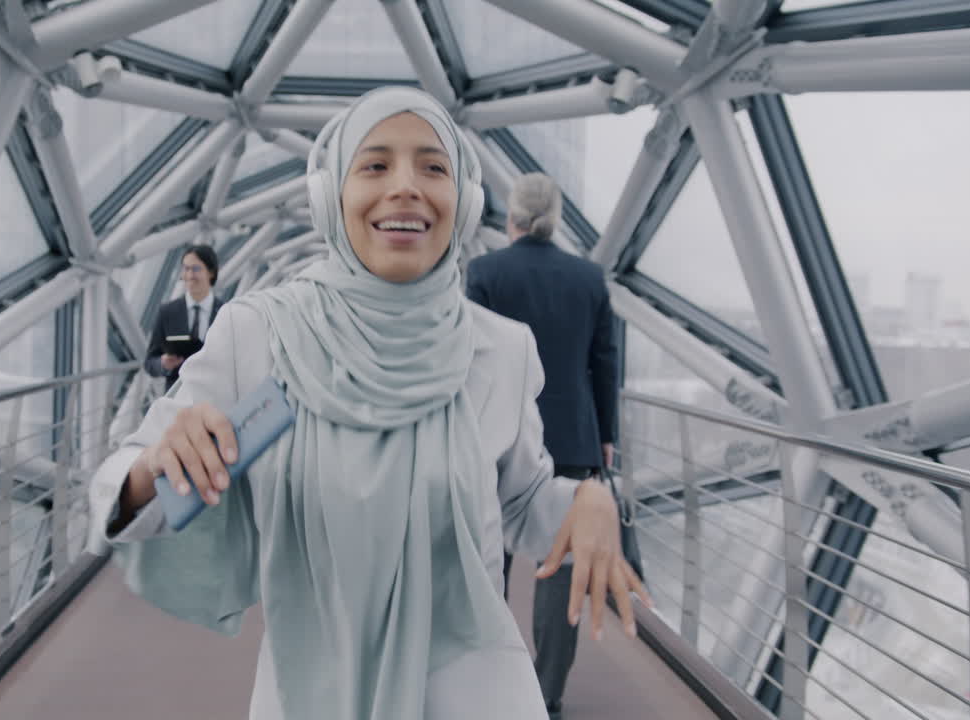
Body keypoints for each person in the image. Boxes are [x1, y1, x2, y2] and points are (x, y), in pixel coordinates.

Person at [88, 87, 647, 720]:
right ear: (332, 196)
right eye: (375, 165)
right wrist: (148, 471)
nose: (406, 186)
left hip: (475, 689)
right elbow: (131, 489)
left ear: (462, 200)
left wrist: (589, 501)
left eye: (433, 167)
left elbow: (519, 505)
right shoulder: (260, 335)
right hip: (310, 691)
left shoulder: (502, 349)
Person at [465, 172, 620, 719]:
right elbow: (604, 363)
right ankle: (547, 692)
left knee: (489, 561)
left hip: (499, 434)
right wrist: (605, 437)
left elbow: (469, 358)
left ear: (511, 216)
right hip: (573, 438)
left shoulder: (484, 273)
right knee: (560, 569)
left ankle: (486, 680)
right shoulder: (588, 278)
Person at [142, 244, 222, 389]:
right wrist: (163, 363)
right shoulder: (167, 312)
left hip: (216, 393)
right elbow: (149, 362)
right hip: (178, 396)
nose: (190, 275)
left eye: (196, 269)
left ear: (211, 272)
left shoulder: (225, 312)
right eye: (186, 269)